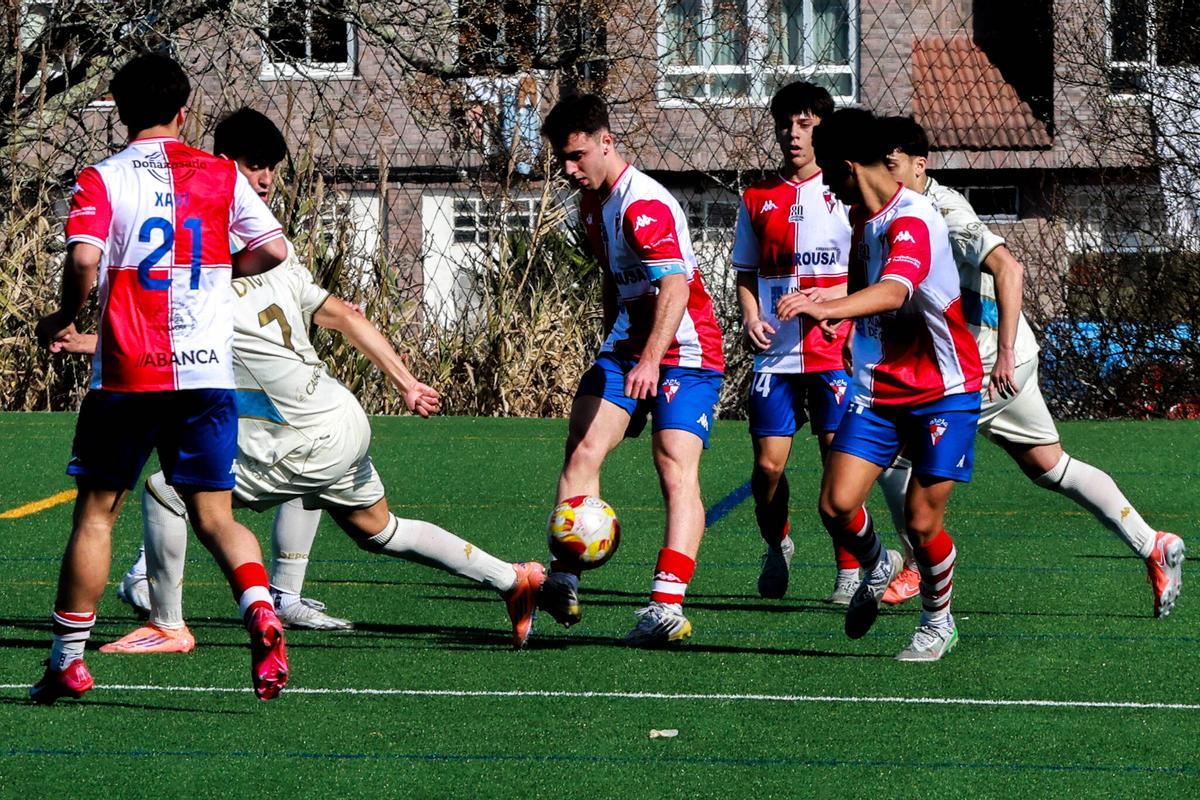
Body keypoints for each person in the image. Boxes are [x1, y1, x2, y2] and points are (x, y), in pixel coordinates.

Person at [58, 107, 546, 652]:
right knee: (379, 530)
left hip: (303, 429)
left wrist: (86, 341)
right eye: (255, 167)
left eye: (271, 169)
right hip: (338, 415)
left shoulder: (208, 263)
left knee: (167, 493)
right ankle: (513, 579)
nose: (265, 179)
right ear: (221, 167)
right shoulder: (275, 254)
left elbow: (178, 339)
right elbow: (346, 315)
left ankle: (166, 621)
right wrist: (405, 383)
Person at [30, 55, 290, 703]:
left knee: (96, 515)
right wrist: (220, 265)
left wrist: (64, 312)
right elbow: (275, 249)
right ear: (184, 111)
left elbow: (85, 260)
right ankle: (259, 607)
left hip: (127, 373)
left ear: (119, 110)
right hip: (206, 372)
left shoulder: (102, 178)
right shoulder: (222, 175)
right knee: (215, 516)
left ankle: (68, 662)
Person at [877, 115, 1186, 616]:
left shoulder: (943, 210)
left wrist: (999, 355)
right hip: (999, 359)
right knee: (1051, 466)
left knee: (895, 457)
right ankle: (1153, 543)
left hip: (984, 366)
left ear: (918, 164)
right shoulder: (894, 209)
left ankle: (915, 562)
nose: (881, 174)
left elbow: (1009, 267)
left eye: (890, 164)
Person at [778, 107, 984, 661]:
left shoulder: (913, 218)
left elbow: (894, 291)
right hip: (878, 390)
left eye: (830, 174)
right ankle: (877, 564)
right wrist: (844, 322)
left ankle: (938, 621)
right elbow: (864, 283)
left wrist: (825, 305)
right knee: (836, 506)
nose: (827, 187)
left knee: (920, 519)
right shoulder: (861, 222)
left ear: (849, 168)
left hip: (944, 389)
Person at [538, 94, 725, 646]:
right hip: (628, 344)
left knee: (673, 463)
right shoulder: (591, 203)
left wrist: (649, 360)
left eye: (577, 156)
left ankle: (666, 606)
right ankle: (565, 578)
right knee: (583, 447)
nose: (570, 170)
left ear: (605, 142)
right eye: (562, 160)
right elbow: (613, 281)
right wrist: (615, 343)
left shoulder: (644, 205)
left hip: (685, 348)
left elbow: (675, 285)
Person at [731, 81, 864, 603]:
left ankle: (849, 567)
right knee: (767, 467)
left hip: (834, 350)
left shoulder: (846, 193)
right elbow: (744, 270)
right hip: (776, 353)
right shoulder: (757, 197)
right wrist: (749, 317)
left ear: (822, 129)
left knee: (838, 463)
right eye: (786, 123)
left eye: (805, 124)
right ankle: (777, 542)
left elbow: (864, 273)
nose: (793, 133)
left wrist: (831, 310)